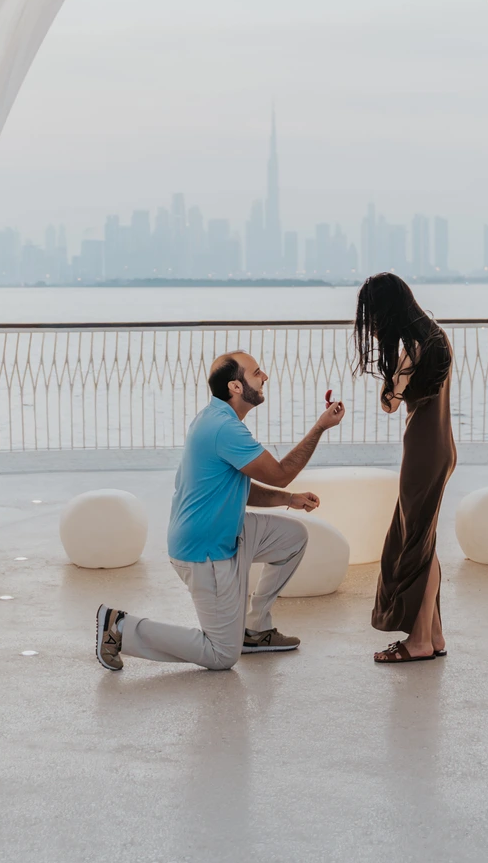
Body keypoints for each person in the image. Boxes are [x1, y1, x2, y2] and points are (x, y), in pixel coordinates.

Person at [95, 351, 345, 672]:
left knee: (293, 537)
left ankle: (255, 630)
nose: (265, 377)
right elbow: (280, 473)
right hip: (205, 550)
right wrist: (320, 427)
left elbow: (237, 486)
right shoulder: (224, 428)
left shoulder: (214, 417)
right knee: (222, 654)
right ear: (236, 387)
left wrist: (289, 499)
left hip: (228, 530)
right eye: (257, 373)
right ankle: (120, 628)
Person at [354, 273, 456, 663]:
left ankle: (419, 642)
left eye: (373, 317)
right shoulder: (435, 337)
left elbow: (390, 403)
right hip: (440, 448)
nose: (372, 326)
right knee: (422, 543)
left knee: (414, 548)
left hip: (422, 453)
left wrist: (391, 376)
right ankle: (433, 635)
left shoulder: (412, 348)